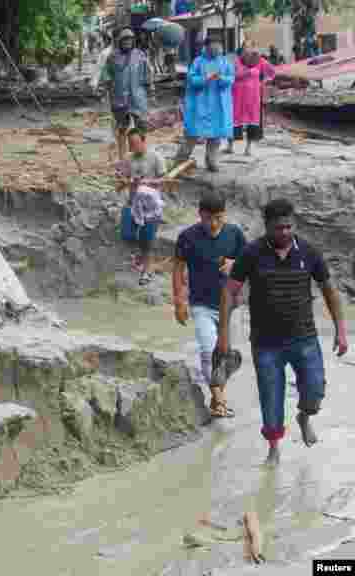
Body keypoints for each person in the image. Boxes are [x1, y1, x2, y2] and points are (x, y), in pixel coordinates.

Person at [217, 198, 348, 466]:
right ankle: (274, 449)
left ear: (294, 224)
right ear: (267, 227)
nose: (285, 232)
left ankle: (304, 417)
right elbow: (229, 292)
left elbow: (330, 292)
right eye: (279, 228)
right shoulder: (252, 253)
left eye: (289, 227)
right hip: (266, 342)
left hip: (305, 338)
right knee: (271, 396)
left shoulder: (309, 252)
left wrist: (341, 331)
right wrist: (223, 337)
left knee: (314, 391)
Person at [172, 190, 247, 418]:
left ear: (225, 215)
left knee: (226, 357)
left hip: (231, 307)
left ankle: (216, 402)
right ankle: (219, 398)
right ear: (200, 215)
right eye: (208, 218)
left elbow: (250, 262)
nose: (213, 224)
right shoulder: (188, 237)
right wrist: (179, 302)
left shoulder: (235, 234)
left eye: (219, 218)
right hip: (201, 305)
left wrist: (234, 263)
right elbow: (178, 269)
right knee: (208, 352)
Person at [173, 34, 234, 172]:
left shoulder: (225, 62)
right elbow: (191, 79)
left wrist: (220, 78)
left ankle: (211, 161)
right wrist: (205, 78)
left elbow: (231, 79)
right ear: (206, 47)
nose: (217, 48)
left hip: (218, 106)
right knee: (192, 136)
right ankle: (179, 161)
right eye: (214, 45)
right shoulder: (198, 62)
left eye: (219, 45)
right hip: (199, 105)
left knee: (215, 136)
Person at [117, 127, 166, 285]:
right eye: (130, 144)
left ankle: (147, 270)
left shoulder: (156, 157)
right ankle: (139, 257)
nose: (133, 147)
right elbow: (122, 178)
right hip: (132, 203)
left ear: (144, 141)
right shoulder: (127, 158)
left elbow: (164, 181)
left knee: (147, 240)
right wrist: (123, 180)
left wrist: (147, 182)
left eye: (136, 143)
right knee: (126, 234)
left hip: (150, 207)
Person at [101, 28, 152, 161]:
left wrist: (150, 91)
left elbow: (147, 75)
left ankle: (140, 155)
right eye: (125, 40)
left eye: (130, 40)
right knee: (121, 129)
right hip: (119, 99)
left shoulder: (140, 55)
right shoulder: (113, 57)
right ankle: (122, 158)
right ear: (120, 41)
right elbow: (106, 74)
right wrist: (106, 88)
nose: (127, 42)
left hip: (138, 98)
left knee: (141, 129)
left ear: (133, 41)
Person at [226, 43, 275, 155]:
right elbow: (231, 75)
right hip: (237, 96)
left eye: (250, 48)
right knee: (233, 120)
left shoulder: (260, 61)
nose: (247, 51)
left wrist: (264, 82)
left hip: (253, 97)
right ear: (242, 51)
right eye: (245, 49)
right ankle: (230, 146)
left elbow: (272, 72)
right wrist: (245, 73)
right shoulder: (236, 61)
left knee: (252, 121)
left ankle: (248, 148)